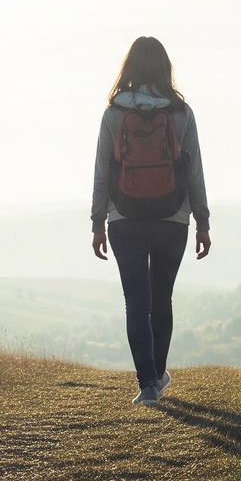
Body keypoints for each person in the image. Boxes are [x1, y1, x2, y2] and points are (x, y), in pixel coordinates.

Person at [90, 36, 211, 406]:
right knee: (162, 298)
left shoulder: (114, 114)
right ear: (165, 68)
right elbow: (194, 173)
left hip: (124, 217)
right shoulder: (180, 112)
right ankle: (158, 376)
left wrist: (98, 223)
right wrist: (202, 221)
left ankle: (147, 386)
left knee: (135, 302)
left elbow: (101, 172)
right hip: (172, 218)